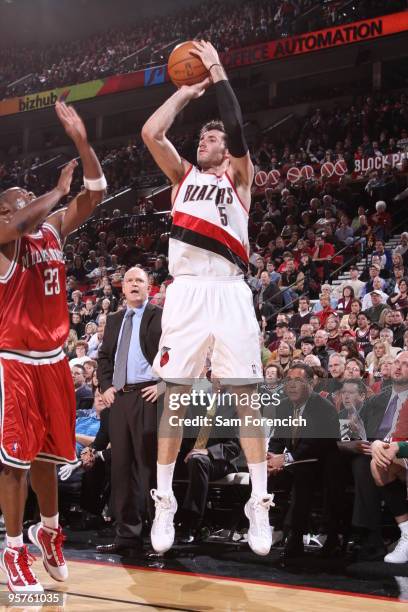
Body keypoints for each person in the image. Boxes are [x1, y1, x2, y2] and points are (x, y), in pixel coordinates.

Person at [141, 40, 273, 556]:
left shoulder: (240, 179)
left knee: (244, 396)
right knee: (176, 395)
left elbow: (237, 129)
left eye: (211, 135)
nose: (206, 138)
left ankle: (259, 503)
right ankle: (165, 500)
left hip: (229, 290)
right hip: (187, 292)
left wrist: (216, 70)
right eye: (202, 134)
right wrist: (185, 93)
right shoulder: (182, 178)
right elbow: (151, 133)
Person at [0, 101, 105, 593]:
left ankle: (51, 531)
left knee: (47, 457)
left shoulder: (55, 231)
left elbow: (98, 193)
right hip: (15, 363)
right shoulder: (6, 237)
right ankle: (14, 549)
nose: (22, 207)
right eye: (13, 201)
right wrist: (57, 190)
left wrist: (82, 143)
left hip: (55, 361)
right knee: (15, 461)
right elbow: (18, 223)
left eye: (24, 200)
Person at [96, 266, 163, 556]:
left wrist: (164, 386)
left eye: (140, 280)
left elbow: (178, 354)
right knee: (121, 468)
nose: (134, 285)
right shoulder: (113, 319)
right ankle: (127, 537)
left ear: (150, 287)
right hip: (119, 399)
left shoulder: (161, 316)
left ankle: (157, 537)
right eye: (129, 281)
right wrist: (106, 385)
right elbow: (104, 356)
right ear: (122, 288)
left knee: (148, 468)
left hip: (149, 395)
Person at [267, 363, 339, 560]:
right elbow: (278, 438)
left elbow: (313, 444)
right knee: (261, 472)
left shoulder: (323, 407)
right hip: (295, 461)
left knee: (303, 476)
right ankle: (268, 527)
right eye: (288, 381)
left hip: (322, 464)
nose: (291, 386)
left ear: (310, 383)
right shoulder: (283, 406)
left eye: (297, 381)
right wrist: (271, 458)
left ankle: (295, 537)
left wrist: (285, 459)